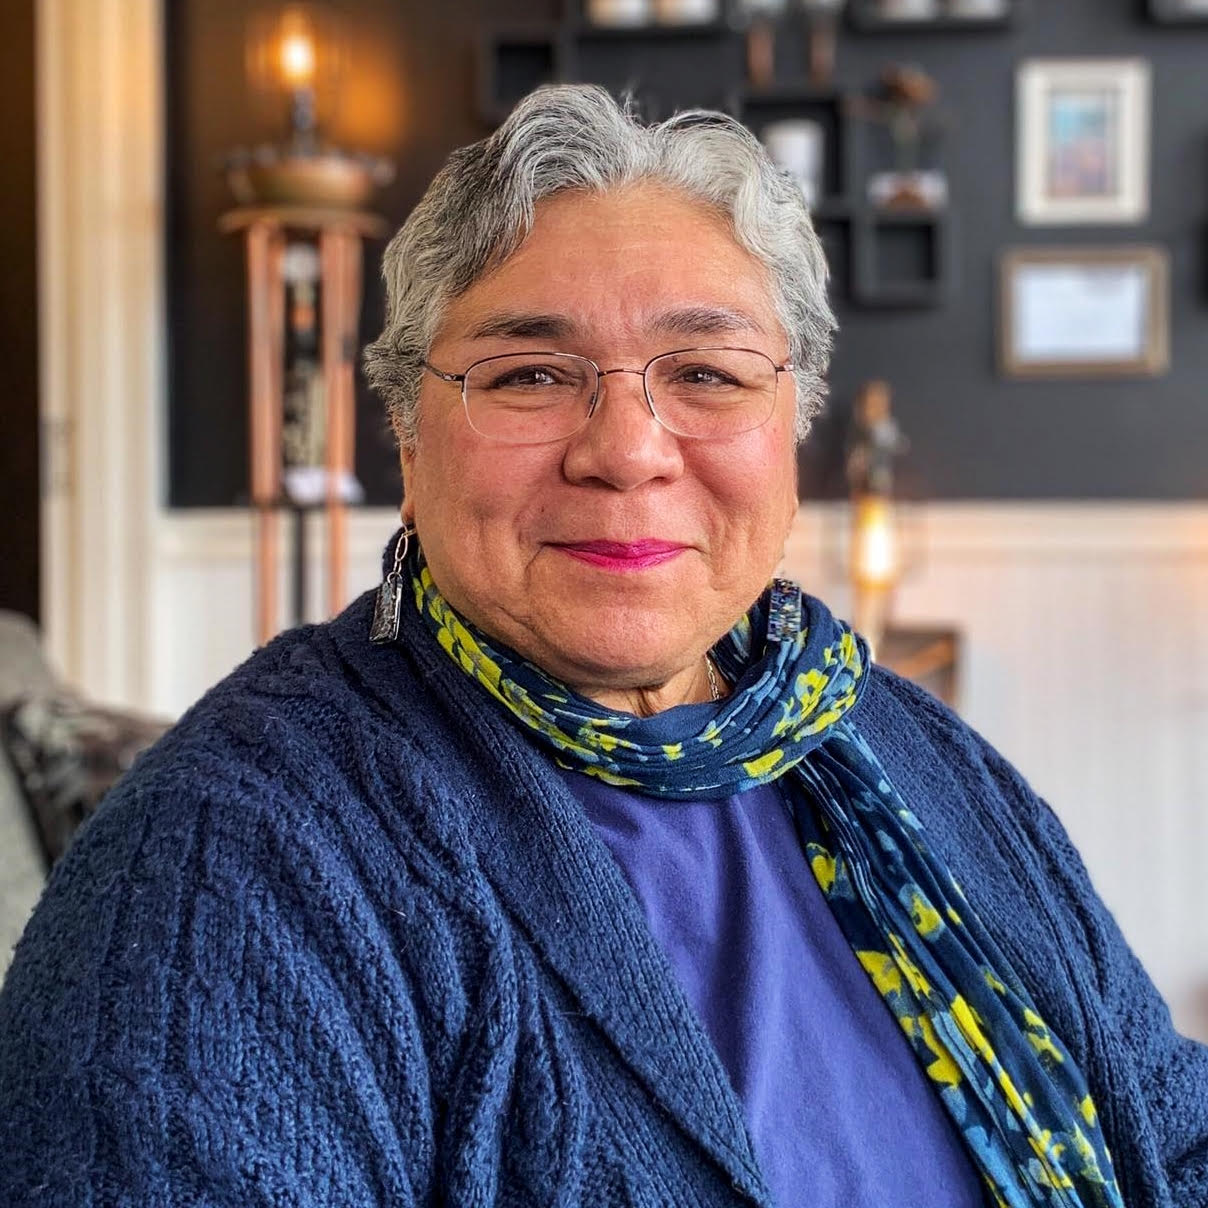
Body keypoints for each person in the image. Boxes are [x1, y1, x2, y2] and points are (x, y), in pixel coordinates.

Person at [1, 84, 1204, 1208]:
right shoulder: (231, 857)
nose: (625, 449)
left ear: (791, 431)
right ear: (408, 443)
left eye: (705, 371)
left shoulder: (907, 750)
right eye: (529, 372)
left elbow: (1162, 1122)